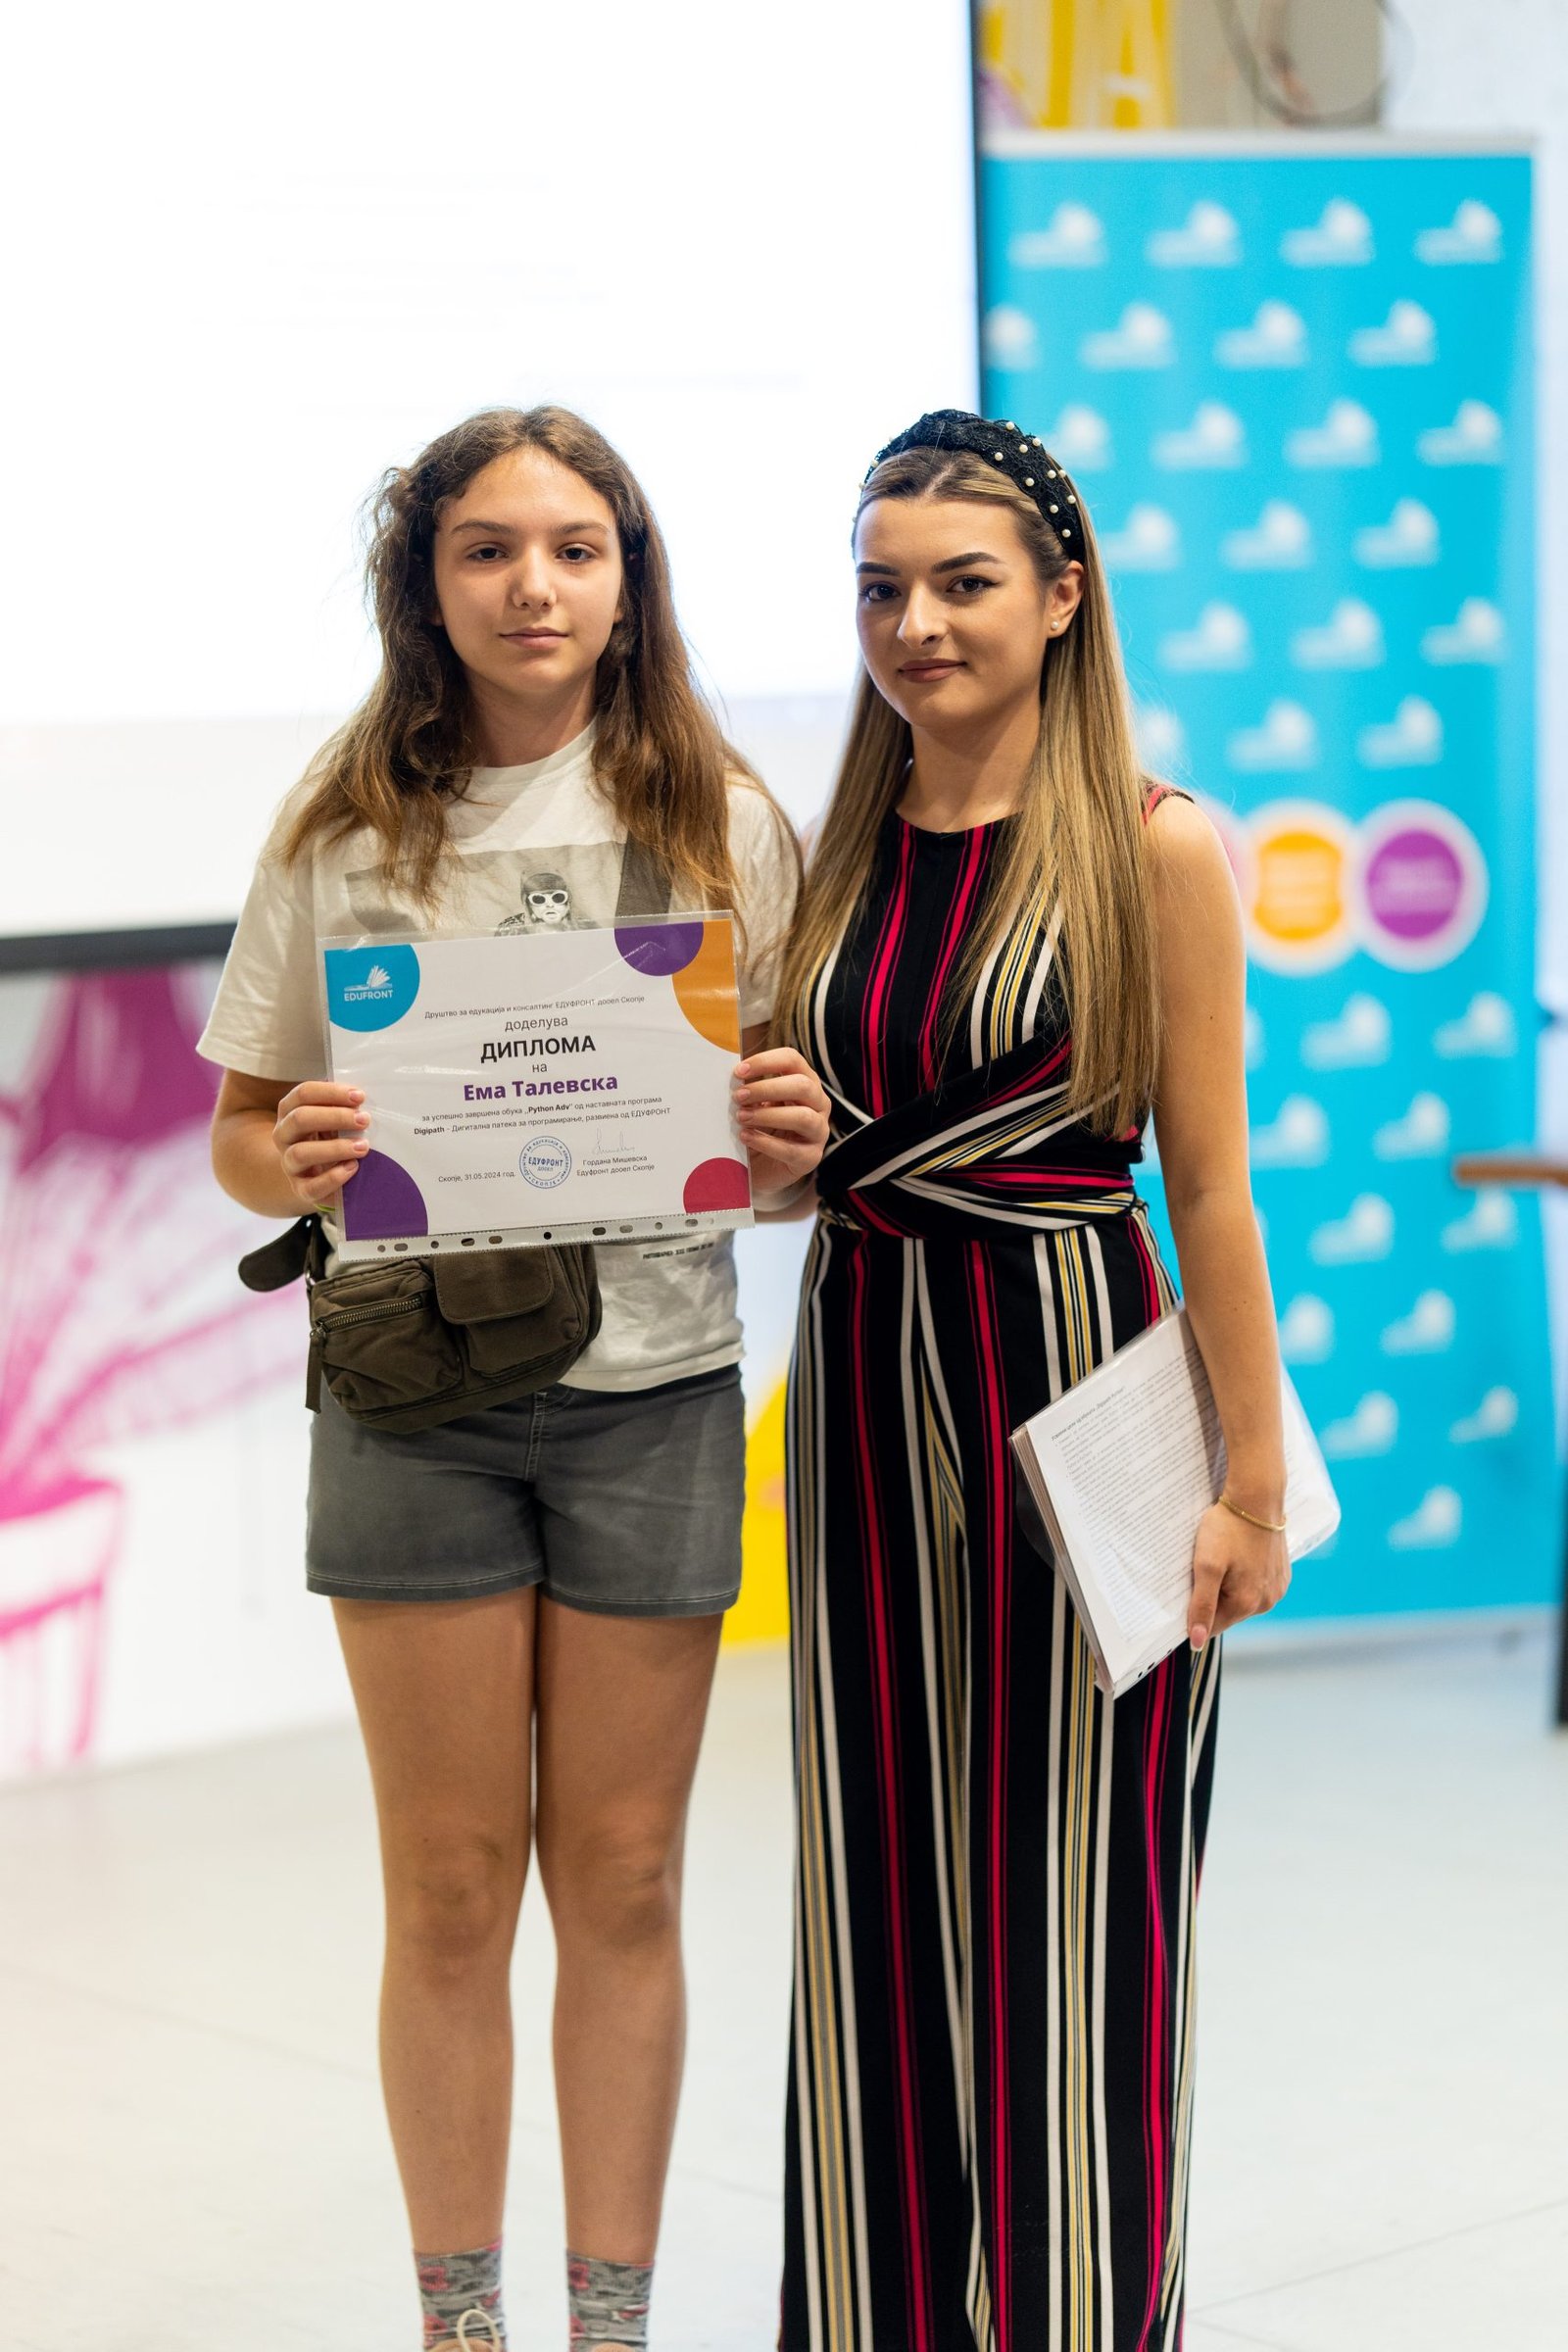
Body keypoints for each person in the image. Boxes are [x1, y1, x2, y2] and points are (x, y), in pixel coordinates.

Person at [200, 406, 829, 2352]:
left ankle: (608, 2327)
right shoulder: (337, 823)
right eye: (485, 548)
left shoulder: (721, 819)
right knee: (454, 1891)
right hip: (413, 1406)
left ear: (629, 577)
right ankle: (459, 2325)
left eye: (572, 547)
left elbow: (779, 1159)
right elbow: (240, 1135)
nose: (530, 586)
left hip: (657, 1399)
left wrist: (793, 1142)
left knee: (624, 1881)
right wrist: (294, 1151)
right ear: (425, 580)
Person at [771, 410, 1290, 2352]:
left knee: (1079, 1912)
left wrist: (1248, 1482)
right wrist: (767, 1155)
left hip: (1076, 1385)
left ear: (1063, 598)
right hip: (859, 1381)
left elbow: (1211, 1190)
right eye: (880, 588)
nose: (914, 624)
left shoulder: (1154, 846)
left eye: (962, 583)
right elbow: (805, 1165)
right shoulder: (831, 852)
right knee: (877, 1895)